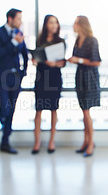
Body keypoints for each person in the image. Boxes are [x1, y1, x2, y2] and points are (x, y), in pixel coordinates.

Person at [0, 8, 29, 154]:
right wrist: (13, 41)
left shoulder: (19, 34)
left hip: (15, 77)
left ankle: (5, 141)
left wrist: (23, 72)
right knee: (5, 108)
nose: (20, 22)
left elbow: (25, 54)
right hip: (2, 76)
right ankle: (1, 116)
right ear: (10, 19)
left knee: (11, 110)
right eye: (19, 19)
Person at [32, 15, 66, 154]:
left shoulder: (61, 41)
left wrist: (56, 63)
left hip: (54, 78)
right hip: (41, 77)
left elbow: (63, 62)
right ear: (46, 25)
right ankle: (37, 142)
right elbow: (36, 58)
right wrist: (35, 60)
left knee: (53, 109)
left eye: (56, 23)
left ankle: (52, 142)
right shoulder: (40, 41)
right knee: (39, 110)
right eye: (51, 22)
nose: (54, 25)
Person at [67, 16, 101, 157]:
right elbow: (77, 58)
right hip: (80, 77)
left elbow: (96, 61)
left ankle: (91, 143)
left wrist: (79, 60)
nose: (73, 25)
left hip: (90, 78)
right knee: (84, 111)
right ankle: (86, 141)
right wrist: (73, 60)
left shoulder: (92, 41)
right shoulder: (77, 41)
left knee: (86, 112)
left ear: (82, 25)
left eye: (75, 23)